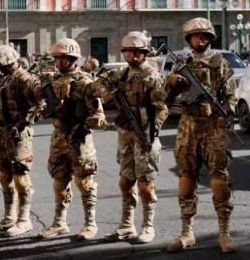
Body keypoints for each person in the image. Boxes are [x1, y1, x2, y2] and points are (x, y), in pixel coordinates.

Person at [165, 17, 237, 253]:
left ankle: (224, 233)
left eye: (205, 36)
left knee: (219, 180)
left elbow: (230, 96)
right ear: (189, 39)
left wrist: (226, 113)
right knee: (186, 180)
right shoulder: (181, 63)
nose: (200, 39)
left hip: (213, 127)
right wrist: (172, 82)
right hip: (188, 127)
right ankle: (187, 232)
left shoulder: (220, 63)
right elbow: (164, 98)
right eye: (196, 36)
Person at [97, 32, 168, 244]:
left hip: (144, 134)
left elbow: (162, 108)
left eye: (137, 52)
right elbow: (98, 86)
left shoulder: (151, 77)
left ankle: (148, 226)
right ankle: (127, 225)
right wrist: (104, 92)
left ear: (144, 53)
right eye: (128, 52)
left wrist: (153, 129)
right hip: (125, 134)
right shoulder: (120, 74)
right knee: (125, 181)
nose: (132, 56)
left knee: (146, 184)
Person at [37, 38, 108, 240]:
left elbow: (98, 114)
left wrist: (86, 125)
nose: (59, 62)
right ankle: (59, 223)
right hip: (58, 138)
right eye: (57, 58)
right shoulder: (51, 81)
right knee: (59, 181)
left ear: (72, 59)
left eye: (63, 58)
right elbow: (43, 108)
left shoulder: (85, 83)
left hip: (80, 139)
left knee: (84, 182)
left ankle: (90, 224)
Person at [0, 44, 45, 237]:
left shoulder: (26, 79)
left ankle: (24, 219)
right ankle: (9, 217)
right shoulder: (4, 78)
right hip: (2, 131)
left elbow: (40, 106)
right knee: (4, 175)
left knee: (21, 176)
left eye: (0, 65)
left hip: (19, 134)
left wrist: (21, 124)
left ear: (9, 62)